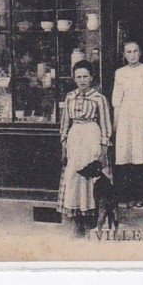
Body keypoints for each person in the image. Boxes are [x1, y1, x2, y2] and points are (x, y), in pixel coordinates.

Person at [57, 60, 112, 234]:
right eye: (79, 77)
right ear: (74, 78)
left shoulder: (99, 98)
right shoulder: (70, 97)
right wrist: (64, 144)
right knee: (75, 174)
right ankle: (77, 220)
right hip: (75, 137)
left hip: (91, 136)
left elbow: (105, 125)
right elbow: (65, 123)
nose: (82, 80)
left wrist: (103, 149)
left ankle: (92, 219)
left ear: (91, 78)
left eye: (85, 76)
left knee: (91, 175)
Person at [112, 40, 143, 207]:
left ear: (140, 53)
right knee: (128, 158)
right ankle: (129, 195)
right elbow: (117, 99)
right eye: (128, 52)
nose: (132, 55)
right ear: (124, 54)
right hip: (126, 117)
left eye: (135, 51)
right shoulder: (120, 73)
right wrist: (116, 123)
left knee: (142, 158)